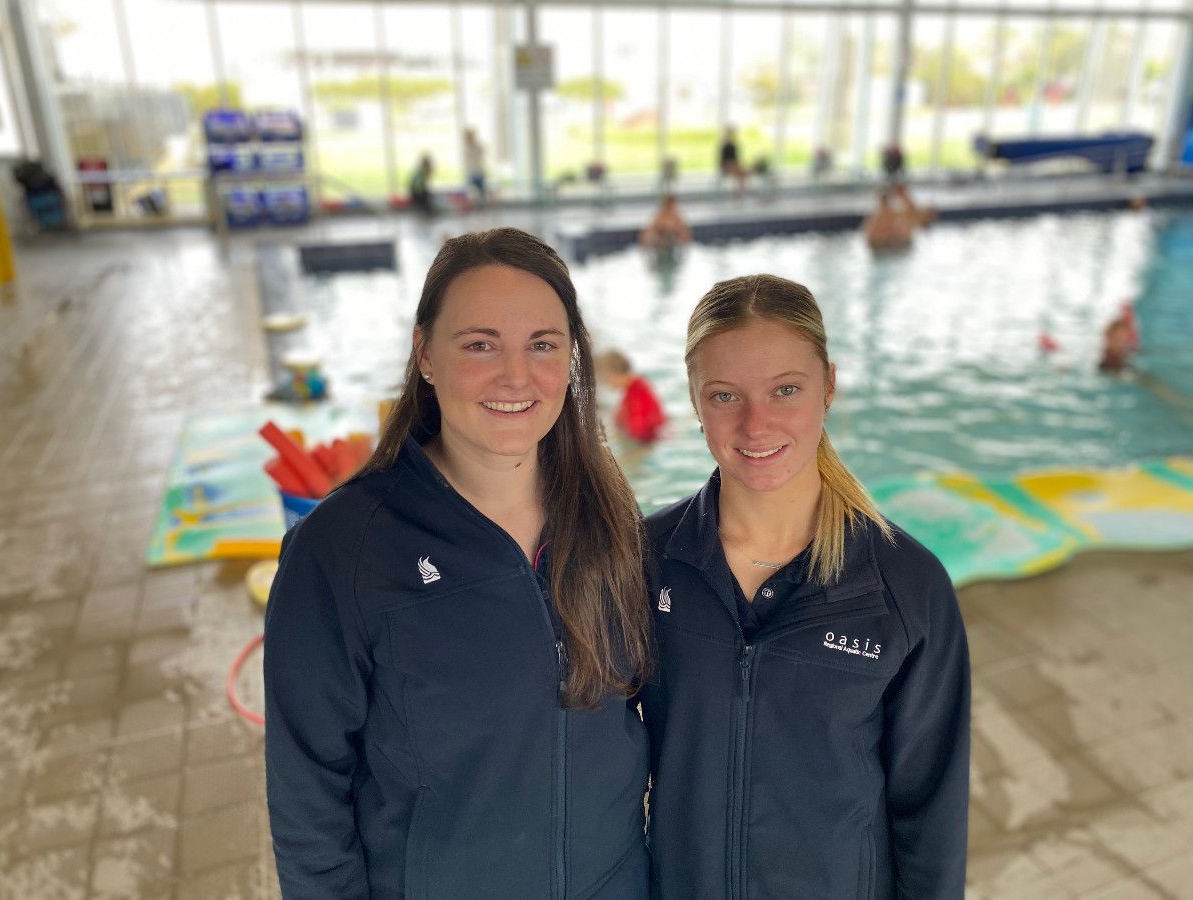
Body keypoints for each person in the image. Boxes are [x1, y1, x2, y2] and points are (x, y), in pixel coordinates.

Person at [265, 228, 653, 898]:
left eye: (543, 345)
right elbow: (308, 803)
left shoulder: (607, 515)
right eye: (480, 345)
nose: (515, 376)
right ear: (425, 355)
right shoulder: (343, 551)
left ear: (570, 359)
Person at [642, 274, 970, 898]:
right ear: (694, 402)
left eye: (785, 390)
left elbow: (931, 813)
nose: (756, 425)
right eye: (724, 395)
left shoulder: (904, 587)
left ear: (829, 387)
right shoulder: (645, 560)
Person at [596, 350, 666, 443]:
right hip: (646, 436)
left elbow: (639, 431)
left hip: (648, 442)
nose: (604, 383)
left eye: (604, 379)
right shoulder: (632, 389)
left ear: (613, 375)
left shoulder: (638, 393)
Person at [719, 126, 747, 195]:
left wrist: (737, 165)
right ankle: (737, 192)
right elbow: (723, 160)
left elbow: (736, 159)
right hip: (727, 165)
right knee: (737, 171)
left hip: (734, 165)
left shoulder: (734, 146)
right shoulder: (724, 146)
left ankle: (740, 191)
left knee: (742, 172)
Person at [463, 128, 487, 205]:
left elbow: (481, 156)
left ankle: (482, 208)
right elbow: (467, 164)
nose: (470, 139)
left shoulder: (479, 147)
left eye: (471, 136)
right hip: (471, 175)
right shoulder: (466, 149)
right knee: (471, 195)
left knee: (482, 195)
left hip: (479, 174)